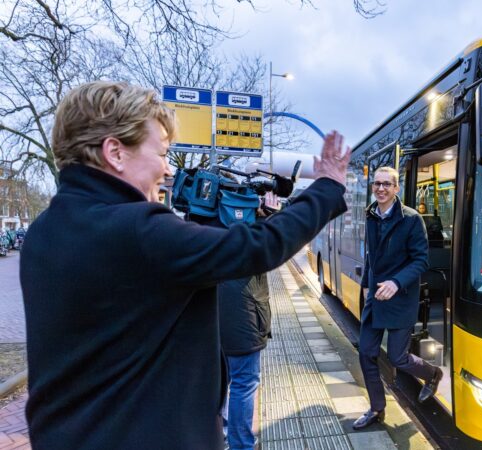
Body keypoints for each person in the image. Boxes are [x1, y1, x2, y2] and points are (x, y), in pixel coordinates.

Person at [19, 81, 350, 450]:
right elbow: (257, 247)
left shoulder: (43, 233)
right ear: (115, 152)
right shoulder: (137, 231)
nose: (165, 169)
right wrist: (326, 189)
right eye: (161, 153)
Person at [353, 167, 442, 430]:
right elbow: (372, 256)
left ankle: (434, 374)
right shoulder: (370, 215)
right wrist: (367, 287)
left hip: (401, 297)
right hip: (376, 298)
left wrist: (396, 282)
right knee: (366, 353)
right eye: (376, 184)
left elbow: (421, 260)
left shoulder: (412, 219)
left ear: (396, 188)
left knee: (397, 358)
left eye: (386, 185)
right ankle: (377, 409)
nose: (380, 189)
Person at [218, 206, 272, 450]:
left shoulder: (202, 220)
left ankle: (226, 433)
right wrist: (265, 214)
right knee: (244, 382)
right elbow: (276, 246)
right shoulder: (250, 226)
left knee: (220, 380)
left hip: (210, 317)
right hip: (243, 318)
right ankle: (241, 444)